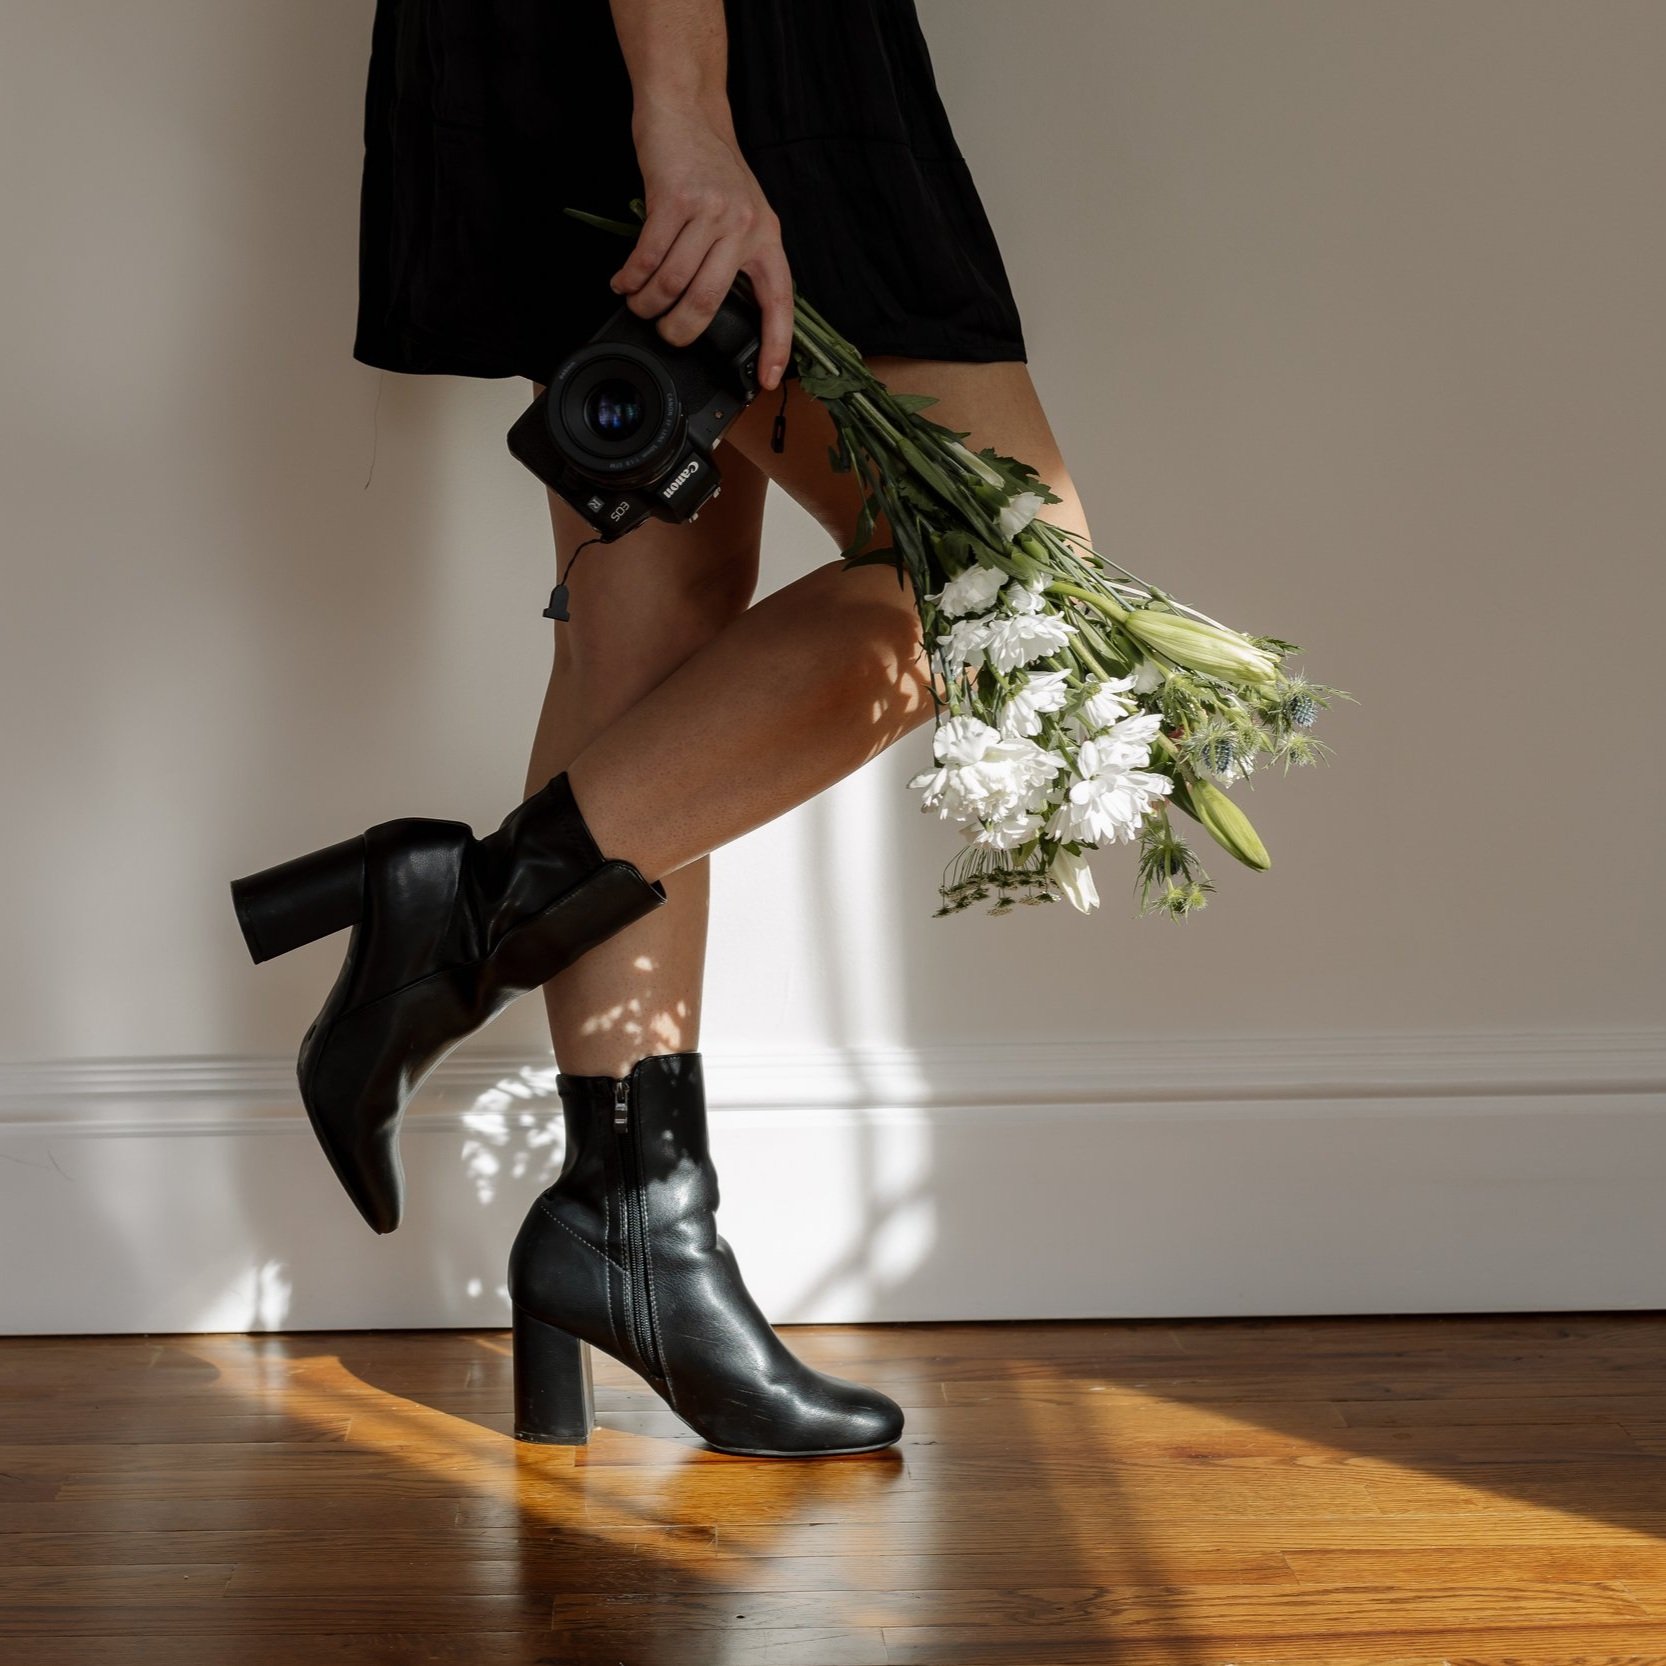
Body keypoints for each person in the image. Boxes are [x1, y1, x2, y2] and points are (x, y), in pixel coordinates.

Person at [230, 0, 1097, 1458]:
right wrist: (682, 104)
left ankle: (630, 1223)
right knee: (1001, 568)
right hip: (695, 48)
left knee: (658, 631)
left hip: (638, 44)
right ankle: (453, 926)